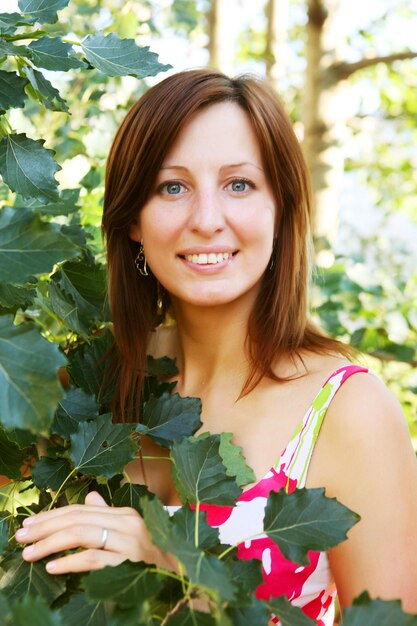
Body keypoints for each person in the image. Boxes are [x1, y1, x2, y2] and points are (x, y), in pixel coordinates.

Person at [16, 69, 417, 623]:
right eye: (172, 187)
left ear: (282, 207)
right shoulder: (81, 386)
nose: (207, 221)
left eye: (239, 185)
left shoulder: (347, 411)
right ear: (133, 218)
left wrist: (175, 566)